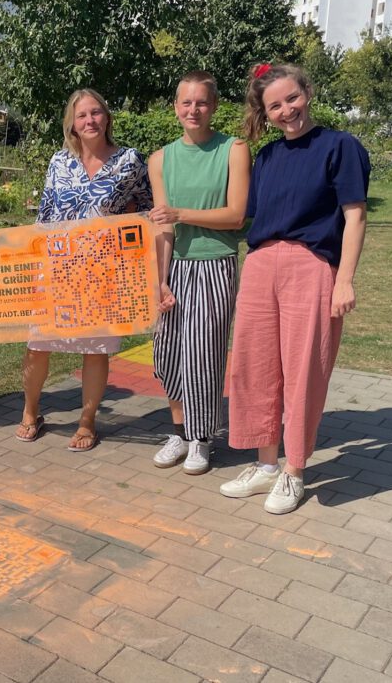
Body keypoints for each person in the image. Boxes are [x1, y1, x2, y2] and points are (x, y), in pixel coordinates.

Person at [221, 62, 369, 514]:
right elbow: (243, 215)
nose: (288, 110)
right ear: (264, 114)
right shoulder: (265, 157)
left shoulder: (339, 146)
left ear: (307, 91)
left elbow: (355, 216)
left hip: (311, 265)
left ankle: (295, 471)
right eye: (275, 106)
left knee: (305, 368)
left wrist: (343, 278)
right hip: (263, 263)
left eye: (292, 98)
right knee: (255, 365)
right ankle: (266, 464)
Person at [16, 88, 152, 452]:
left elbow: (147, 212)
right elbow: (44, 215)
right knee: (37, 344)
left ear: (106, 117)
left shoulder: (130, 162)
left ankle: (87, 421)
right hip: (55, 268)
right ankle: (31, 412)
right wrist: (34, 263)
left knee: (95, 349)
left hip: (102, 273)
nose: (90, 120)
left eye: (96, 113)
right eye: (82, 116)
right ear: (72, 125)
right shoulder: (60, 162)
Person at [147, 71, 251, 475]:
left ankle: (202, 438)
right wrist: (161, 279)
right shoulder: (161, 159)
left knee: (202, 357)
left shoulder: (233, 150)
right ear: (175, 107)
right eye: (186, 102)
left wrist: (180, 213)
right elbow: (163, 226)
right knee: (168, 356)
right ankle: (180, 430)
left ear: (214, 106)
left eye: (202, 102)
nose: (194, 109)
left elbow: (235, 215)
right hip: (176, 265)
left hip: (214, 262)